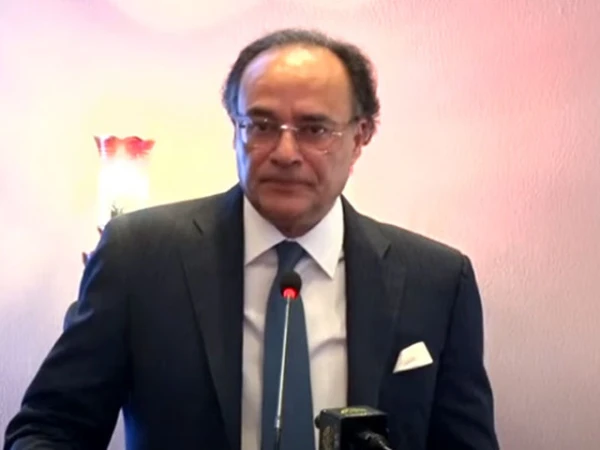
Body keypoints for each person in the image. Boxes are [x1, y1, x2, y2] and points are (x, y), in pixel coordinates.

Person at [4, 28, 499, 450]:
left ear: (360, 136)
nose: (285, 152)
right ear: (235, 130)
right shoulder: (139, 256)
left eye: (314, 129)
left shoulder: (437, 280)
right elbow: (49, 428)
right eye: (261, 125)